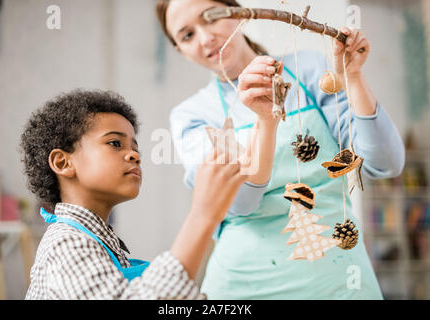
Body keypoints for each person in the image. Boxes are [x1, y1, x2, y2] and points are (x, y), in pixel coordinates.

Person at [156, 0, 405, 299]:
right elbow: (240, 203)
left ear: (237, 11)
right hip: (244, 287)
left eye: (210, 18)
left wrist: (353, 78)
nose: (205, 38)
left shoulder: (310, 70)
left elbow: (385, 164)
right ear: (180, 50)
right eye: (187, 36)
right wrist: (266, 120)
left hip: (340, 281)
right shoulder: (194, 114)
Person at [21, 89, 247, 299]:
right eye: (115, 143)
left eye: (135, 149)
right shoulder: (66, 243)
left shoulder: (102, 243)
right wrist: (202, 216)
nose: (134, 156)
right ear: (62, 162)